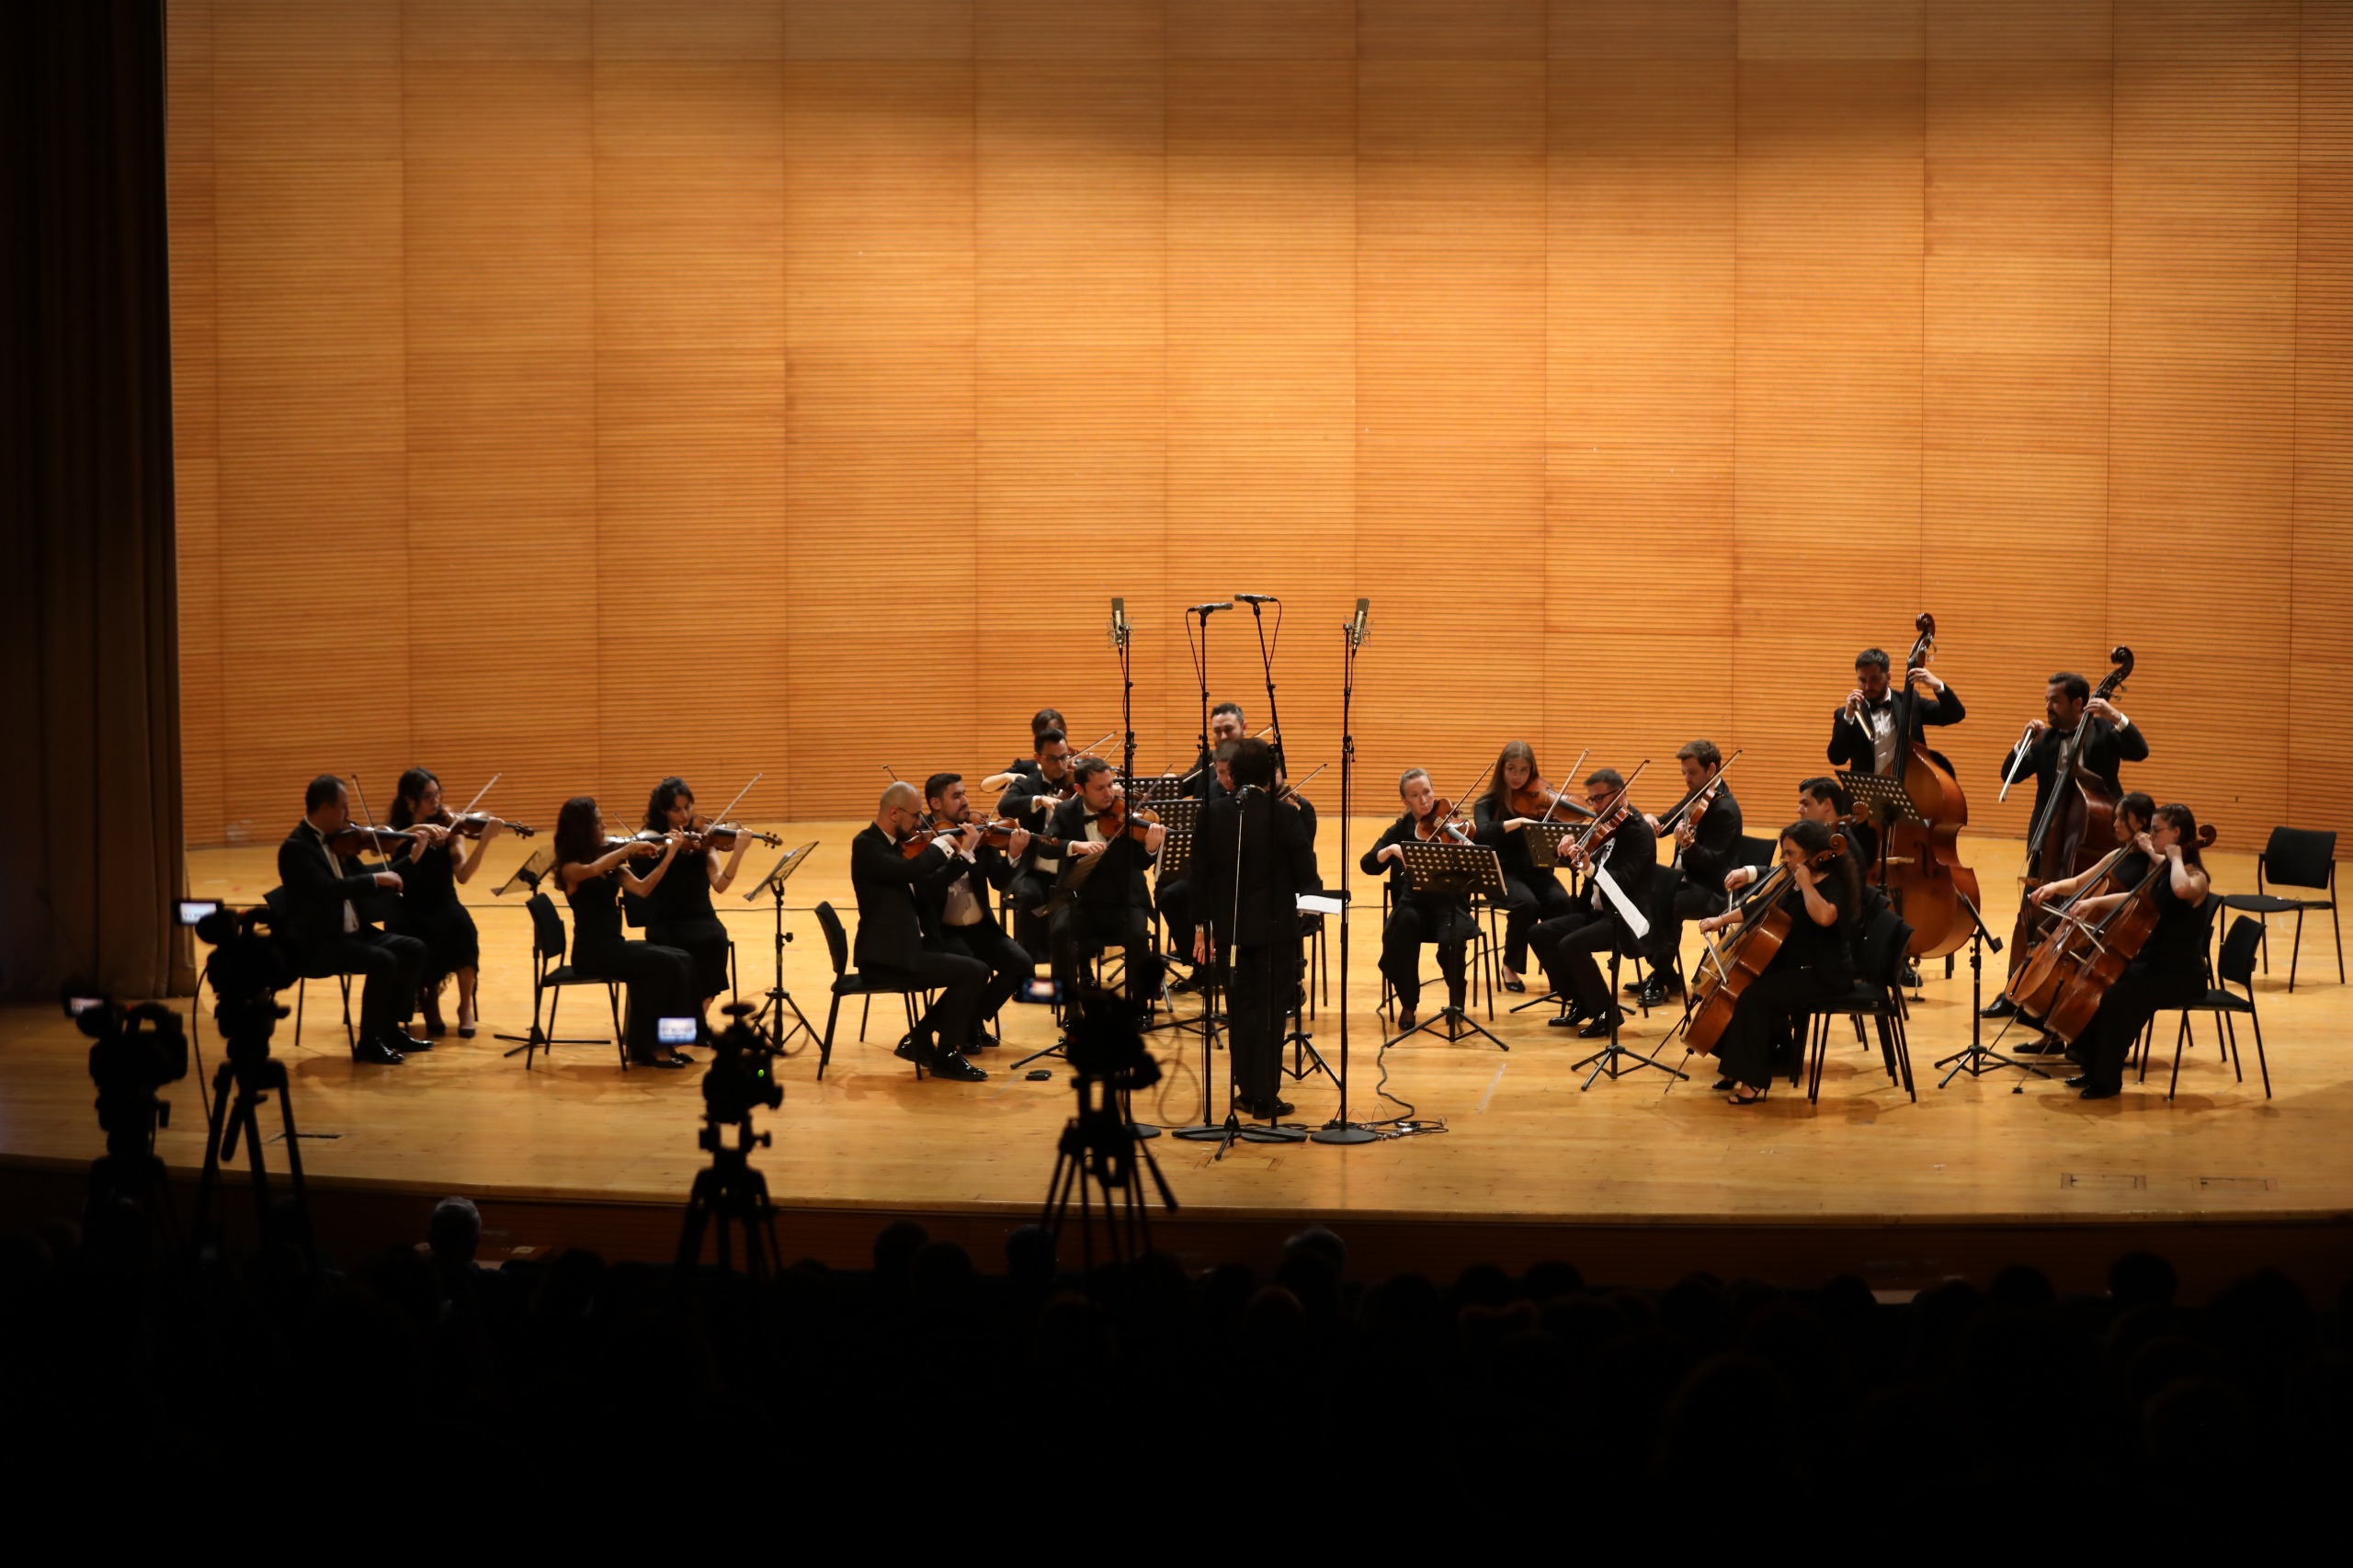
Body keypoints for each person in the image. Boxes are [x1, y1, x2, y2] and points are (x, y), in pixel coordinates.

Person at [1984, 674, 2150, 1014]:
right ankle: (2014, 991)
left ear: (2078, 703)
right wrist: (2021, 744)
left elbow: (2140, 750)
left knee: (2080, 919)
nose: (2048, 706)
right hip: (2048, 840)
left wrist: (2115, 716)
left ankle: (2065, 996)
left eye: (2055, 700)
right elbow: (2010, 774)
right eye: (2047, 699)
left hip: (2091, 840)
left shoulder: (2103, 731)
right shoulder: (2045, 739)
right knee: (2032, 914)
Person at [2042, 802, 2211, 1100]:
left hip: (2182, 975)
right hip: (2156, 966)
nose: (2151, 836)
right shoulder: (2165, 871)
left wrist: (2174, 859)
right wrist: (2093, 902)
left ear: (2176, 833)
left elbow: (2181, 889)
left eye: (2157, 831)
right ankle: (2091, 1066)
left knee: (2117, 998)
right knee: (2102, 984)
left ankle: (2107, 1080)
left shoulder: (2197, 878)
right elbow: (2135, 898)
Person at [1692, 819, 1863, 1104]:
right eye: (1784, 853)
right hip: (1795, 964)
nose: (1784, 859)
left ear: (1811, 853)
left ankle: (1753, 1081)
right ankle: (1735, 1067)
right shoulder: (1789, 877)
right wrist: (1720, 920)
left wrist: (1806, 885)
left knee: (1755, 999)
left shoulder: (1833, 883)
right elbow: (1760, 907)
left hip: (1824, 972)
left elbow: (1825, 917)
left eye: (1790, 853)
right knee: (1739, 987)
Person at [1194, 738, 1321, 1119]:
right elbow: (1306, 876)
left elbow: (1198, 876)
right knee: (1269, 1013)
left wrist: (1203, 925)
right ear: (1271, 776)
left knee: (1240, 1010)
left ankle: (1246, 1092)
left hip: (1230, 935)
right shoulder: (1284, 815)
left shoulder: (1211, 812)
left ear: (1232, 775)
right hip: (1273, 934)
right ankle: (1265, 1097)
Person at [275, 775, 429, 1064]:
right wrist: (376, 879)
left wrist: (411, 860)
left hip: (353, 935)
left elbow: (367, 877)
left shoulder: (341, 841)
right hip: (321, 942)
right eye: (344, 807)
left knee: (414, 949)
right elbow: (326, 889)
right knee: (384, 960)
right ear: (325, 808)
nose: (349, 814)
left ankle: (390, 1030)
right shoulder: (296, 849)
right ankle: (369, 1042)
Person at [851, 782, 992, 1081]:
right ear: (894, 812)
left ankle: (921, 1038)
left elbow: (928, 884)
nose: (919, 823)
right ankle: (945, 1055)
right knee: (972, 972)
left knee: (977, 968)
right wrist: (941, 846)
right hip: (886, 958)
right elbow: (910, 872)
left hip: (909, 947)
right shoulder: (866, 845)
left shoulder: (896, 847)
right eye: (915, 816)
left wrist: (965, 854)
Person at [551, 796, 699, 1069]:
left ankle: (667, 1042)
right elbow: (592, 869)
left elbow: (643, 889)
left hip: (614, 947)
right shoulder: (571, 868)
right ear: (582, 828)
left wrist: (668, 855)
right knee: (665, 965)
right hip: (592, 953)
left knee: (683, 958)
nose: (604, 826)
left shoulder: (610, 864)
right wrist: (628, 849)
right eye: (598, 822)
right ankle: (655, 1048)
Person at [1529, 770, 1658, 1039]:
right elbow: (1581, 863)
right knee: (1540, 933)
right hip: (1598, 912)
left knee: (1571, 944)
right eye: (1591, 800)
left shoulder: (1639, 832)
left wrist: (1589, 866)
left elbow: (1621, 881)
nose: (1595, 807)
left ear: (1620, 794)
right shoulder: (1603, 825)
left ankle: (1607, 1012)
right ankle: (1583, 1001)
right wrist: (1566, 851)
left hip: (1624, 916)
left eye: (1599, 799)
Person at [920, 771, 1033, 1053]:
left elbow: (999, 881)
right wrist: (963, 853)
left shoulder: (977, 832)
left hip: (980, 928)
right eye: (956, 796)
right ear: (935, 803)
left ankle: (970, 1020)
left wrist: (1014, 855)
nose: (965, 801)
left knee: (1022, 964)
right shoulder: (924, 838)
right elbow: (928, 890)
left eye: (965, 794)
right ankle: (954, 1030)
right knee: (975, 969)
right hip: (943, 931)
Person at [1045, 757, 1166, 1023]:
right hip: (1079, 901)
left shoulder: (1127, 812)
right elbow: (1046, 845)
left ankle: (1139, 1007)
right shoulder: (1066, 811)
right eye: (1100, 788)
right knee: (1060, 933)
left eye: (1111, 785)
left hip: (1123, 901)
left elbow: (1142, 862)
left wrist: (1150, 848)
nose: (1109, 793)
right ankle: (1070, 1006)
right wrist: (1074, 845)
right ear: (1080, 790)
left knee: (1138, 935)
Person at [386, 766, 500, 1039]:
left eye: (438, 794)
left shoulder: (451, 828)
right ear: (410, 801)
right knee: (421, 936)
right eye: (428, 796)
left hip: (445, 902)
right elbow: (388, 846)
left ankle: (465, 1006)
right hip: (410, 906)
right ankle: (431, 1004)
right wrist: (419, 829)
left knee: (464, 929)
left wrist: (483, 842)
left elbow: (463, 875)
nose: (436, 801)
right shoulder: (395, 831)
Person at [1630, 739, 1745, 1007]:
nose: (1687, 779)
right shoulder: (1698, 794)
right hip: (1685, 879)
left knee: (1668, 904)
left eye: (1692, 772)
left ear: (1711, 769)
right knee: (1639, 896)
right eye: (1684, 772)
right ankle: (1667, 973)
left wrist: (1688, 846)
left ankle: (1660, 977)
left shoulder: (1725, 810)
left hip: (1714, 888)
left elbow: (1713, 863)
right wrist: (1651, 822)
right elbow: (1668, 820)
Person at [1362, 768, 1476, 1031]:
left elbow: (1475, 872)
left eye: (1427, 792)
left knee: (1452, 941)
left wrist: (1468, 854)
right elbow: (1368, 864)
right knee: (1401, 928)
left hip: (1449, 904)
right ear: (1405, 800)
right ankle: (1408, 1002)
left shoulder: (1451, 825)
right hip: (1413, 904)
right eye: (1414, 795)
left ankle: (1456, 1001)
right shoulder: (1401, 829)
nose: (1424, 800)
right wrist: (1390, 850)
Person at [635, 777, 751, 1030]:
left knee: (716, 940)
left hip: (701, 916)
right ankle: (686, 1024)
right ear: (663, 810)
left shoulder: (704, 840)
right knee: (682, 949)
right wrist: (671, 850)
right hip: (666, 920)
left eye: (688, 807)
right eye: (676, 809)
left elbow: (720, 884)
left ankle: (694, 1022)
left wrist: (739, 852)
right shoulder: (654, 841)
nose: (685, 815)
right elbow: (643, 882)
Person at [1471, 741, 1578, 995]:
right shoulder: (1487, 803)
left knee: (1561, 901)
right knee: (1526, 904)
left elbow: (1561, 831)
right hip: (1502, 872)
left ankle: (1558, 969)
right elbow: (1482, 832)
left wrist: (1566, 834)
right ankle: (1510, 965)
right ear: (1502, 769)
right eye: (1511, 769)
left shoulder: (1540, 802)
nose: (1517, 776)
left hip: (1537, 871)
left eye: (1523, 770)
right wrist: (1517, 821)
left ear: (1532, 771)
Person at [999, 726, 1078, 960]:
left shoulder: (1078, 783)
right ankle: (1027, 961)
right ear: (1038, 758)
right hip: (1034, 870)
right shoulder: (1027, 783)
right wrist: (1039, 800)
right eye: (1053, 759)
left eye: (1064, 757)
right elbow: (1006, 806)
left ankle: (1078, 966)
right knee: (1030, 897)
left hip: (1068, 870)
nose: (1061, 765)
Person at [1827, 645, 1965, 778]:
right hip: (1867, 792)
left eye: (1874, 680)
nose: (1868, 686)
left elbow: (1955, 714)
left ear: (1888, 677)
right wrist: (1848, 717)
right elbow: (1837, 758)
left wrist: (1938, 686)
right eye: (1862, 680)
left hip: (1909, 787)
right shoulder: (1848, 714)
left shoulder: (1910, 702)